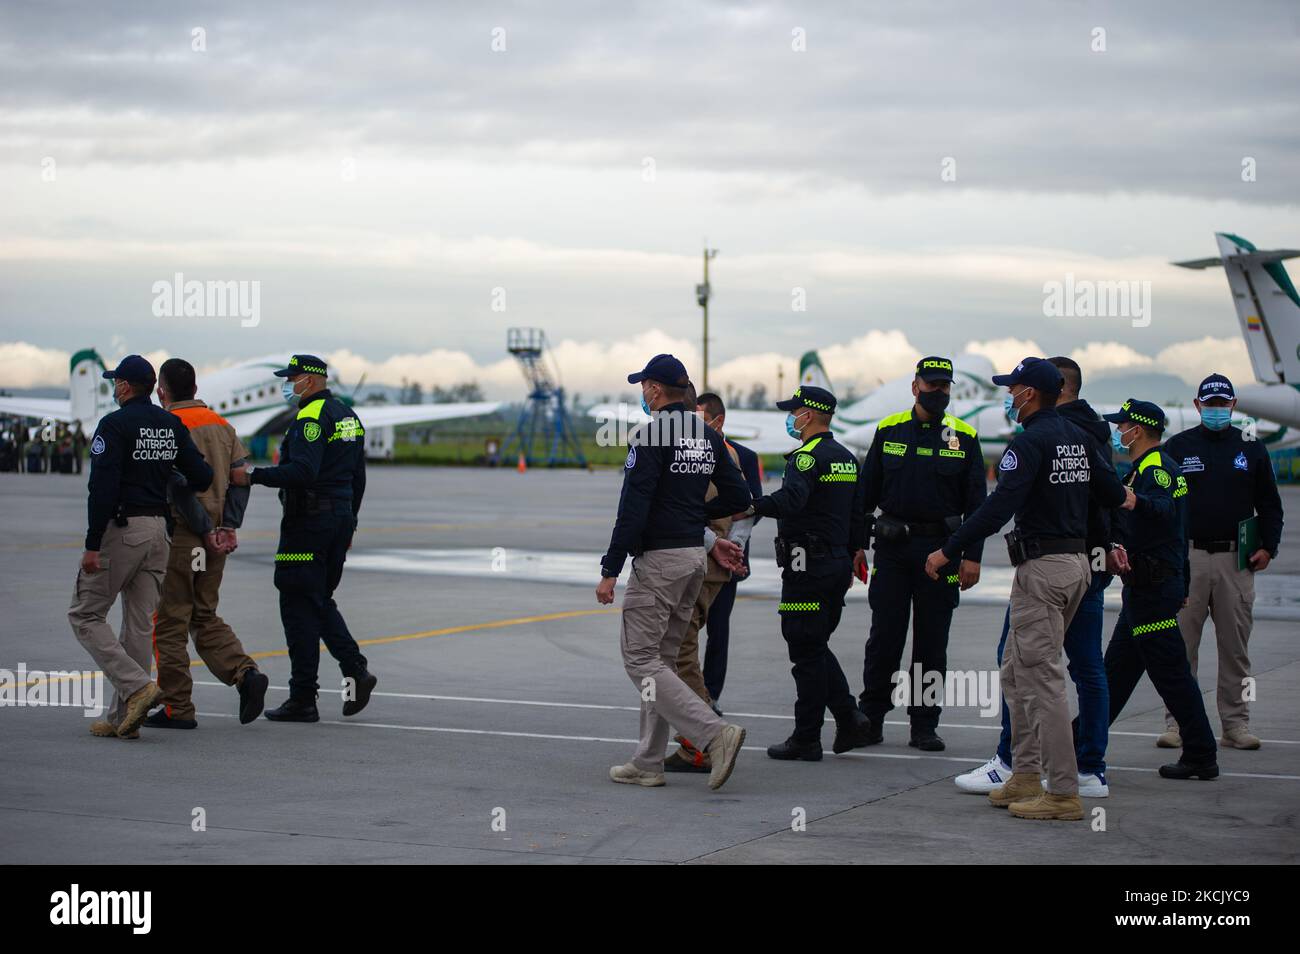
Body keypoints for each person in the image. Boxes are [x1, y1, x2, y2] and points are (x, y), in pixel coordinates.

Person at [925, 356, 1125, 820]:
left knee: (1044, 680)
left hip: (1044, 568)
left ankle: (1063, 792)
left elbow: (998, 508)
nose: (1009, 396)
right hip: (1076, 565)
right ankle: (1026, 775)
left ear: (1029, 394)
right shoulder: (1081, 437)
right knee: (1017, 671)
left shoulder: (1030, 441)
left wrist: (948, 550)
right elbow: (1114, 495)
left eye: (1013, 389)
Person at [596, 353, 750, 791]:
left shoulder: (650, 436)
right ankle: (648, 761)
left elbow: (633, 509)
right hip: (693, 560)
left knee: (641, 660)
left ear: (654, 390)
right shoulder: (707, 435)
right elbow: (739, 495)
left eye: (642, 386)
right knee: (660, 661)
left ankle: (713, 735)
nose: (642, 393)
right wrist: (692, 512)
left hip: (661, 562)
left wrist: (611, 568)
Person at [68, 354, 213, 739]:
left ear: (125, 387)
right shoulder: (170, 423)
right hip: (159, 533)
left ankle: (137, 687)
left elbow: (102, 487)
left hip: (123, 529)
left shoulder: (114, 425)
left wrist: (92, 544)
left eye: (115, 382)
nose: (114, 387)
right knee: (136, 624)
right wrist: (163, 474)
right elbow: (202, 475)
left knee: (85, 615)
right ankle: (123, 720)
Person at [229, 354, 375, 723]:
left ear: (309, 381)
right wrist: (350, 522)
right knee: (316, 599)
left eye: (291, 378)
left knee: (296, 602)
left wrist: (254, 476)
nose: (287, 384)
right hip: (337, 519)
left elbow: (303, 471)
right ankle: (350, 672)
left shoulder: (310, 417)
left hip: (308, 524)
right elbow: (358, 476)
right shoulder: (348, 417)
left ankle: (307, 695)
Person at [854, 356, 985, 752]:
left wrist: (971, 555)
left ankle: (924, 725)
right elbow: (866, 494)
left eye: (945, 386)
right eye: (931, 385)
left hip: (940, 553)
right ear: (915, 387)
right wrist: (856, 545)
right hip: (892, 550)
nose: (938, 392)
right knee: (885, 638)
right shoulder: (888, 429)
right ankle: (871, 718)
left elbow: (977, 506)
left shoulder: (964, 437)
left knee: (931, 643)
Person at [743, 385, 873, 761]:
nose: (790, 416)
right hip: (834, 565)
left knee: (803, 647)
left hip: (805, 565)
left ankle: (809, 736)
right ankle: (848, 719)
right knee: (814, 646)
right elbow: (858, 513)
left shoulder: (805, 458)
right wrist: (852, 554)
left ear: (809, 415)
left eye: (794, 410)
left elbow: (793, 500)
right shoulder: (847, 458)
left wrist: (754, 506)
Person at [146, 358, 269, 730]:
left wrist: (202, 529)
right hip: (215, 542)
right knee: (203, 615)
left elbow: (178, 486)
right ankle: (244, 673)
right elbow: (241, 479)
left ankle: (177, 708)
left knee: (169, 622)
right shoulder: (223, 426)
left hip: (185, 538)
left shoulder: (169, 426)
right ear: (196, 390)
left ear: (161, 391)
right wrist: (227, 526)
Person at [1163, 373, 1283, 750]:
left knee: (1236, 649)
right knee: (1181, 646)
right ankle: (1178, 724)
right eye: (1209, 404)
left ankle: (1236, 724)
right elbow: (1163, 504)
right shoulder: (1178, 448)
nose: (1216, 410)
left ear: (1233, 405)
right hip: (1189, 559)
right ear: (1197, 406)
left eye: (1222, 404)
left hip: (1236, 560)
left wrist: (1269, 547)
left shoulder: (1252, 449)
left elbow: (1269, 504)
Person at [1100, 399, 1219, 780]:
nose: (1119, 432)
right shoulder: (1146, 467)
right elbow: (1178, 531)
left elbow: (1165, 512)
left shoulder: (1157, 468)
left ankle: (1201, 753)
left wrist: (1134, 501)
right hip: (1147, 589)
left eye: (1123, 426)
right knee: (1115, 673)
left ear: (1139, 429)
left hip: (1153, 590)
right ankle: (1079, 741)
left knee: (1171, 675)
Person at [663, 388, 749, 773]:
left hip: (704, 560)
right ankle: (694, 740)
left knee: (680, 652)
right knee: (681, 651)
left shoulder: (708, 451)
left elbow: (719, 508)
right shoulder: (715, 450)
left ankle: (709, 737)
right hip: (707, 558)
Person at [698, 391, 764, 711]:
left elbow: (750, 509)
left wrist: (733, 549)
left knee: (718, 630)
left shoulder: (745, 456)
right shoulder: (688, 450)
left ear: (717, 420)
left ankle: (711, 695)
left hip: (728, 558)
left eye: (700, 417)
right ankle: (687, 693)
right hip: (695, 551)